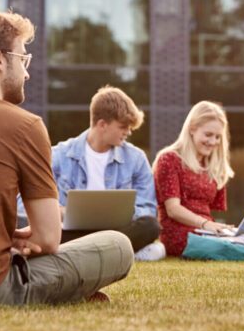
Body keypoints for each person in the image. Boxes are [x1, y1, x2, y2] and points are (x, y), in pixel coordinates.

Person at [0, 4, 132, 305]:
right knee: (119, 246)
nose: (27, 72)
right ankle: (72, 291)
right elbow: (48, 239)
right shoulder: (24, 125)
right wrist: (22, 238)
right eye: (23, 58)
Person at [19, 86, 163, 261]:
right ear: (102, 124)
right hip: (71, 232)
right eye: (123, 126)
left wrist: (116, 214)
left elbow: (147, 208)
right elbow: (23, 203)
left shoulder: (136, 158)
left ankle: (83, 253)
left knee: (150, 226)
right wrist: (59, 212)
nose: (128, 132)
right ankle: (111, 253)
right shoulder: (58, 155)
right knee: (153, 251)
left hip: (115, 232)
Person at [153, 101, 235, 257]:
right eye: (208, 135)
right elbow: (173, 210)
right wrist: (205, 224)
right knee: (235, 247)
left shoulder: (212, 165)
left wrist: (217, 228)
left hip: (206, 232)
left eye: (218, 137)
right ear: (192, 129)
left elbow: (210, 211)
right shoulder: (169, 159)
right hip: (178, 235)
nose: (213, 142)